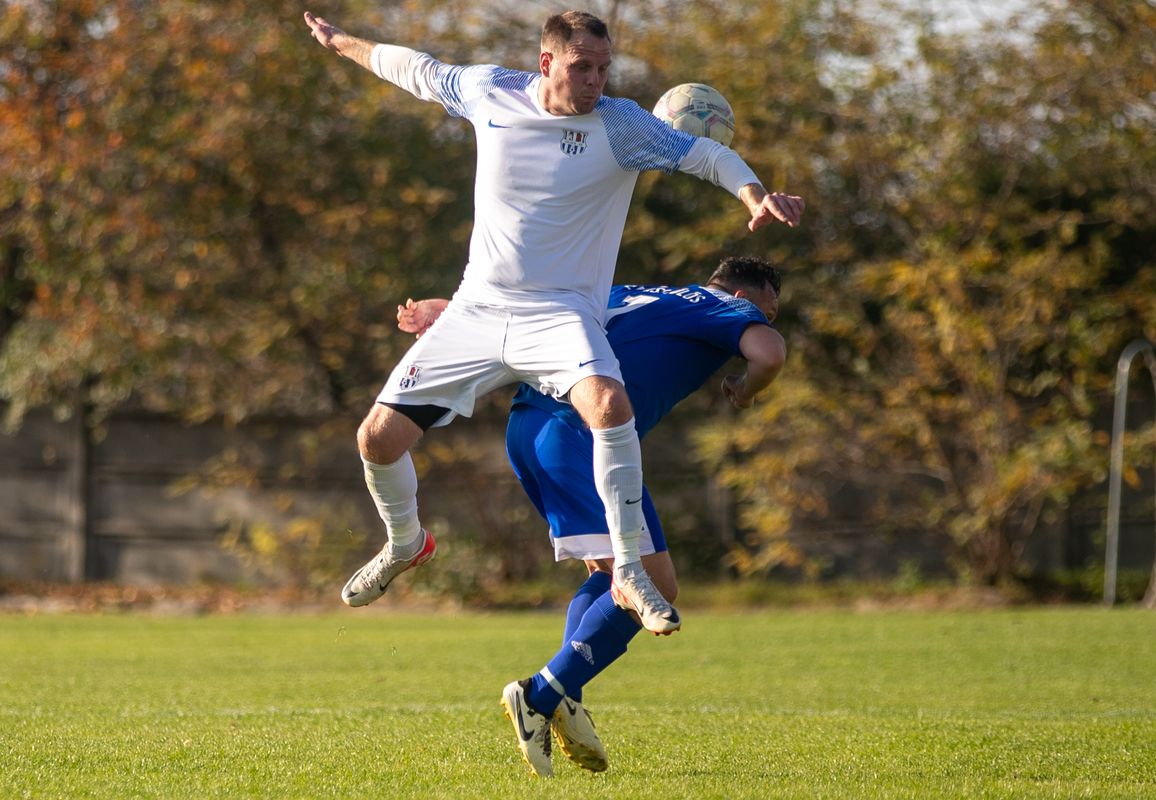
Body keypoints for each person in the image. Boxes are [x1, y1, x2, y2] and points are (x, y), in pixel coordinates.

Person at [303, 10, 804, 638]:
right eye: (581, 67)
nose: (595, 80)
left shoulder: (620, 125)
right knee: (375, 440)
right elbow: (413, 69)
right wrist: (341, 42)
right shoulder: (490, 91)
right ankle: (406, 542)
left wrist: (753, 193)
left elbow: (705, 154)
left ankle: (630, 570)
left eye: (603, 67)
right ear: (546, 63)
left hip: (561, 313)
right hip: (478, 308)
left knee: (610, 404)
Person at [398, 256, 786, 777]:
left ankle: (565, 694)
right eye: (769, 310)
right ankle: (541, 693)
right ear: (744, 296)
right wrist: (746, 387)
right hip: (581, 434)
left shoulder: (630, 292)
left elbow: (524, 312)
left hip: (543, 431)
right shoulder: (723, 308)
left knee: (614, 576)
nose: (767, 322)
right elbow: (769, 355)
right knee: (650, 583)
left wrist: (441, 311)